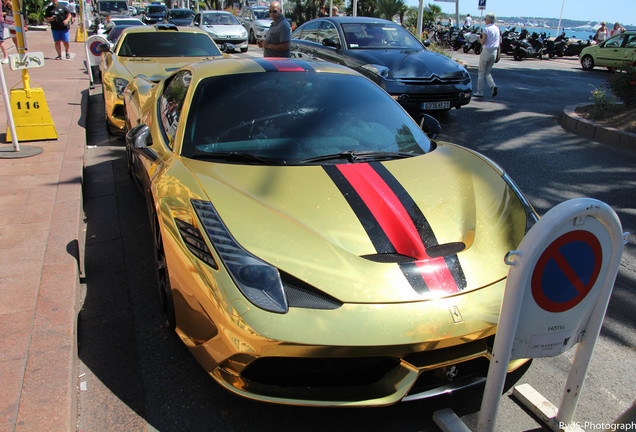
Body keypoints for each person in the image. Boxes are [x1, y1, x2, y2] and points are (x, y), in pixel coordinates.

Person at [474, 12, 501, 98]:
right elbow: (500, 41)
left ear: (488, 19)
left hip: (487, 50)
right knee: (487, 72)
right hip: (494, 51)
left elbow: (483, 42)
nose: (485, 20)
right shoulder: (497, 28)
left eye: (485, 19)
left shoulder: (487, 29)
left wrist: (479, 39)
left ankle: (480, 91)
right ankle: (492, 85)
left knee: (481, 72)